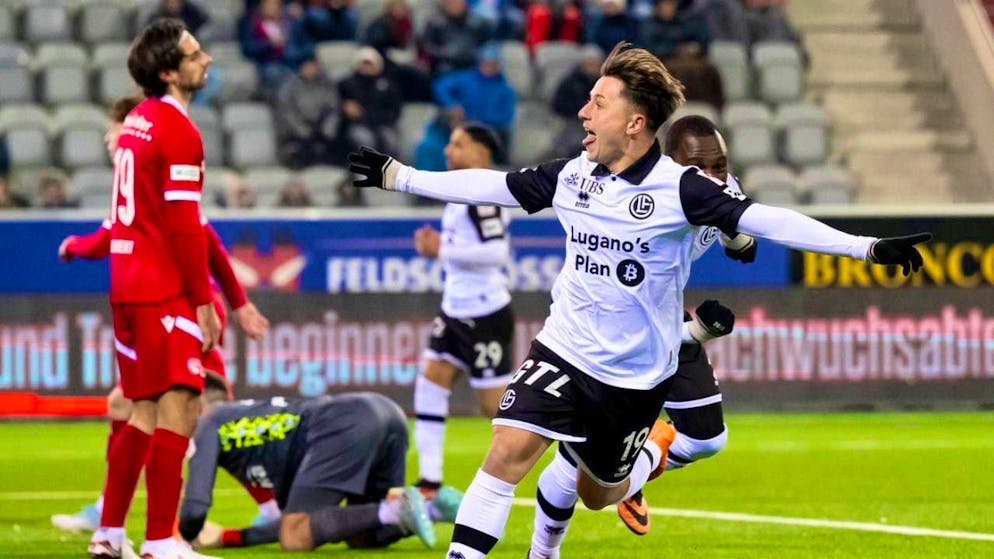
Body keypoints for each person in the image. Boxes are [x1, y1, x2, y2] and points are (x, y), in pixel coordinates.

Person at [346, 41, 929, 558]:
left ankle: (640, 465)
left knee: (598, 493)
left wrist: (866, 247)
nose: (583, 112)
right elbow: (496, 185)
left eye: (598, 102)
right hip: (565, 350)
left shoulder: (682, 190)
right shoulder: (574, 175)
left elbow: (766, 221)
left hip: (633, 377)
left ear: (635, 122)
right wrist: (402, 177)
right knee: (505, 451)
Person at [52, 94, 273, 543]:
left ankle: (173, 530)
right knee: (143, 411)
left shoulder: (155, 173)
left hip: (181, 308)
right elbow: (106, 237)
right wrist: (75, 245)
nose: (109, 140)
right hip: (160, 307)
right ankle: (114, 522)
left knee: (201, 422)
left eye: (113, 131)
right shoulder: (131, 189)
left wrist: (233, 302)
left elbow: (206, 240)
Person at [86, 19, 223, 559]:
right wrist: (204, 301)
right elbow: (186, 225)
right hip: (161, 287)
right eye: (193, 54)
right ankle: (162, 540)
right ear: (169, 72)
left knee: (141, 411)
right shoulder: (177, 131)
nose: (205, 59)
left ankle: (109, 533)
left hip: (126, 284)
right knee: (181, 406)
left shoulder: (138, 120)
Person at [615, 114, 752, 536]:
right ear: (669, 162)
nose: (711, 177)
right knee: (574, 462)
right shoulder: (641, 197)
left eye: (719, 166)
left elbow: (744, 250)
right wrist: (697, 334)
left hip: (662, 315)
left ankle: (635, 468)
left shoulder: (723, 190)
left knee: (708, 438)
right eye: (699, 167)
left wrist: (734, 232)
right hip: (612, 318)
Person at [177, 392, 458, 552]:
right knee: (362, 536)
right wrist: (231, 537)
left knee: (294, 538)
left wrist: (183, 541)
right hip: (385, 412)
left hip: (343, 422)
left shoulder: (208, 421)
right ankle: (433, 506)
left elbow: (194, 511)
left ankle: (397, 509)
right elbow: (298, 521)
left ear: (195, 404)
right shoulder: (247, 425)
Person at [411, 123, 514, 496]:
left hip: (484, 314)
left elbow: (495, 253)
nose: (447, 151)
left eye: (457, 145)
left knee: (498, 409)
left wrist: (441, 250)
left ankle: (568, 451)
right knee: (429, 384)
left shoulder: (484, 195)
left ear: (481, 152)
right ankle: (429, 485)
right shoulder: (463, 191)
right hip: (455, 310)